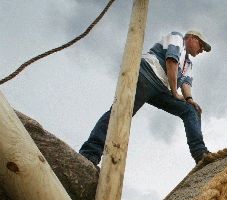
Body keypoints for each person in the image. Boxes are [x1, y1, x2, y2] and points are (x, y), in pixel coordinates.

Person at [79, 30, 211, 166]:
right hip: (146, 74)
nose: (201, 50)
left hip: (163, 89)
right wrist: (175, 93)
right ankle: (90, 153)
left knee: (191, 110)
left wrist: (189, 99)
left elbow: (185, 83)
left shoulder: (188, 64)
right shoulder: (177, 38)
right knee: (121, 112)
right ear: (191, 38)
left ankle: (200, 154)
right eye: (201, 45)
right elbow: (171, 61)